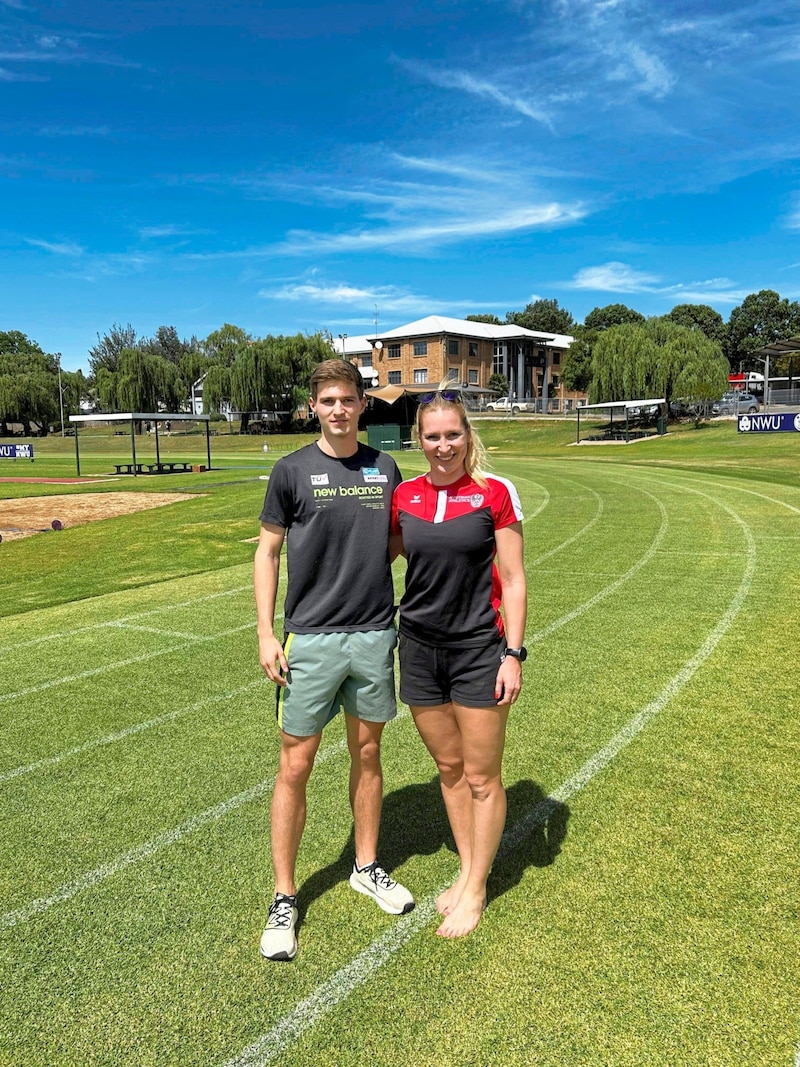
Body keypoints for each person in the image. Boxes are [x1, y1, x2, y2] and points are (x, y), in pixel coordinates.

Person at [254, 358, 414, 962]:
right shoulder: (290, 470)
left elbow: (398, 540)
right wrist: (267, 634)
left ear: (361, 404)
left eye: (348, 400)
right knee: (296, 765)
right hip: (310, 640)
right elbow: (268, 553)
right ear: (314, 407)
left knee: (368, 751)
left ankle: (365, 866)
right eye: (328, 402)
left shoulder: (385, 466)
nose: (339, 410)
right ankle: (284, 896)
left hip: (374, 634)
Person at [390, 388, 527, 939]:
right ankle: (469, 870)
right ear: (418, 439)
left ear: (468, 435)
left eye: (453, 434)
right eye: (432, 436)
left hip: (478, 649)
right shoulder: (402, 495)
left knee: (481, 776)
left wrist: (513, 654)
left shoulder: (494, 492)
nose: (443, 445)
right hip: (419, 648)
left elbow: (514, 580)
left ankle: (475, 886)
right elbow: (380, 555)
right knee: (449, 771)